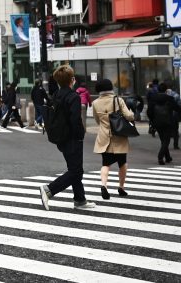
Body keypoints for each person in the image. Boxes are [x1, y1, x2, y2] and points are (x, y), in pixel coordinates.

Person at [39, 64, 94, 210]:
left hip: (60, 137)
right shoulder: (73, 97)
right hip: (72, 138)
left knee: (74, 168)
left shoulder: (56, 95)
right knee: (76, 171)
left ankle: (80, 200)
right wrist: (80, 135)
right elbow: (75, 120)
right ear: (72, 79)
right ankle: (49, 189)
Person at [91, 79, 133, 200]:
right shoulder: (118, 100)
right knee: (122, 163)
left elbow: (97, 120)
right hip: (119, 136)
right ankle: (121, 187)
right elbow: (128, 116)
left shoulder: (95, 103)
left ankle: (103, 185)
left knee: (105, 163)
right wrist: (132, 114)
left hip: (104, 136)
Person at [148, 83, 181, 165]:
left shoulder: (153, 98)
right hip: (167, 122)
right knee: (166, 140)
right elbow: (177, 108)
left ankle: (168, 157)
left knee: (163, 140)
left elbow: (149, 111)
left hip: (157, 122)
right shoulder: (169, 98)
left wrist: (152, 120)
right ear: (166, 90)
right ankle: (160, 157)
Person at [165, 82, 181, 150]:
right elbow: (179, 104)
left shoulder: (164, 95)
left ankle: (165, 145)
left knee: (166, 131)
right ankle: (176, 145)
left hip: (166, 115)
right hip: (174, 115)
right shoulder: (176, 95)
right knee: (175, 130)